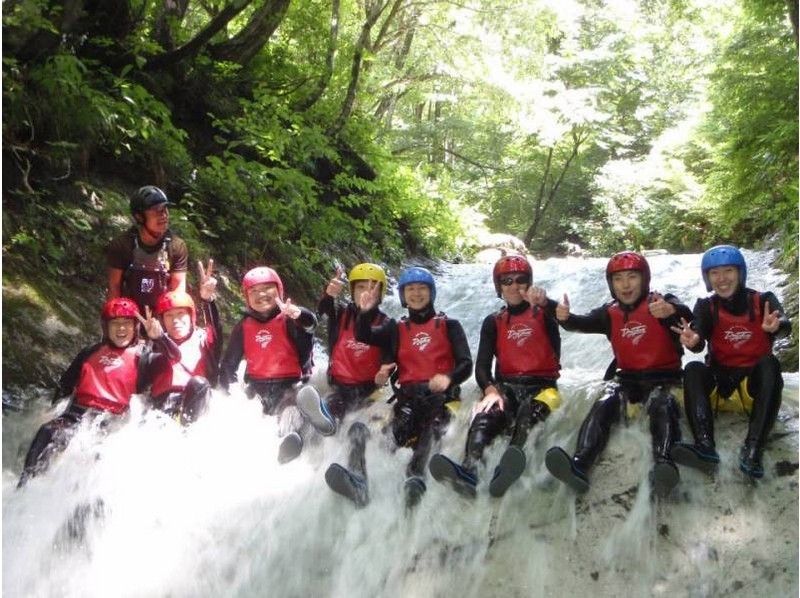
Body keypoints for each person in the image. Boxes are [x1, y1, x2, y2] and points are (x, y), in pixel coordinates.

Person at [544, 251, 693, 498]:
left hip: (666, 378)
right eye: (618, 279)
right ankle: (580, 465)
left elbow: (685, 314)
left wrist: (670, 312)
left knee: (662, 404)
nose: (625, 285)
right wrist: (562, 316)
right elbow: (579, 323)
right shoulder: (609, 312)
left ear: (644, 279)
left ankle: (664, 464)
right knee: (605, 401)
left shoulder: (662, 302)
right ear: (611, 284)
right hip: (628, 380)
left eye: (632, 277)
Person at [326, 266, 473, 510]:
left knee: (431, 429)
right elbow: (364, 336)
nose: (416, 294)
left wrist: (448, 378)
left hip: (442, 400)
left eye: (422, 289)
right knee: (361, 430)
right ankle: (358, 480)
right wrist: (365, 311)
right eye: (410, 290)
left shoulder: (450, 325)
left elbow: (466, 364)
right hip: (407, 402)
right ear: (403, 296)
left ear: (432, 292)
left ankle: (416, 478)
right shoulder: (396, 328)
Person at [429, 255, 563, 498]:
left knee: (528, 417)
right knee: (484, 415)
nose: (514, 286)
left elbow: (564, 317)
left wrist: (545, 302)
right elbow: (481, 367)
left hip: (544, 388)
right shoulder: (493, 322)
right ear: (499, 287)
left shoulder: (545, 314)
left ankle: (507, 469)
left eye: (521, 280)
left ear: (529, 283)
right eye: (507, 281)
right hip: (507, 388)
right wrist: (489, 389)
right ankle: (470, 471)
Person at [669, 245, 791, 480]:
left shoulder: (764, 300)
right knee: (693, 368)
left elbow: (785, 325)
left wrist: (777, 328)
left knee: (770, 363)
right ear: (707, 278)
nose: (722, 279)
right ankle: (705, 447)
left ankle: (753, 450)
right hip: (720, 386)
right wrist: (693, 340)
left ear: (740, 273)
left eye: (728, 271)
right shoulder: (706, 306)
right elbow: (698, 338)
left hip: (752, 388)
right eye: (714, 273)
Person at [18, 298, 145, 487]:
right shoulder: (90, 352)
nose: (121, 329)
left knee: (95, 454)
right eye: (115, 324)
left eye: (127, 324)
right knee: (47, 432)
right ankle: (26, 486)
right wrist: (55, 410)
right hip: (78, 414)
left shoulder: (143, 357)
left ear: (135, 327)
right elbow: (65, 385)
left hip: (113, 420)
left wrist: (159, 338)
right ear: (106, 327)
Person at [219, 266, 318, 464]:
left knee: (291, 412)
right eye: (254, 291)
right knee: (243, 415)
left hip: (288, 387)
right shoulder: (243, 326)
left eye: (267, 289)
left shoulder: (291, 320)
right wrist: (228, 395)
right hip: (256, 388)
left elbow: (310, 324)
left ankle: (288, 451)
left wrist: (299, 314)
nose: (261, 294)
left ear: (279, 291)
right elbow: (229, 366)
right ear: (247, 297)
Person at [296, 262, 394, 434]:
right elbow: (322, 310)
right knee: (329, 414)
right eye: (361, 287)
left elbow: (390, 355)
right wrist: (328, 295)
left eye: (372, 288)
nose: (366, 292)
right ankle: (309, 433)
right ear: (352, 291)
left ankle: (360, 451)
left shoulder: (387, 324)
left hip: (369, 391)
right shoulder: (341, 314)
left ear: (380, 293)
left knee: (372, 426)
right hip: (340, 388)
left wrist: (386, 371)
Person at [138, 260, 221, 426]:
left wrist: (207, 300)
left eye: (181, 314)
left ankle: (184, 435)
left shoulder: (203, 339)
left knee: (198, 383)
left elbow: (215, 329)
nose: (175, 321)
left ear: (191, 317)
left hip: (196, 400)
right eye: (169, 316)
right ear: (162, 320)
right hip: (161, 406)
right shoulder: (155, 343)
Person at [106, 185, 188, 314]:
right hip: (130, 316)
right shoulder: (122, 245)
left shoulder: (176, 246)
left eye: (165, 209)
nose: (164, 215)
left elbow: (178, 291)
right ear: (139, 217)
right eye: (157, 210)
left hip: (163, 316)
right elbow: (114, 288)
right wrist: (117, 319)